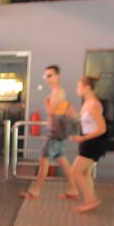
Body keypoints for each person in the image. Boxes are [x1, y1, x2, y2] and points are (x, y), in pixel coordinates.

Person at [20, 65, 79, 200]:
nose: (48, 78)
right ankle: (73, 189)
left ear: (58, 76)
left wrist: (46, 101)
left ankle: (36, 189)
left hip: (54, 132)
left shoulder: (57, 92)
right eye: (46, 76)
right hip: (57, 132)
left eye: (50, 75)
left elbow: (50, 111)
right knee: (62, 160)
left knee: (43, 159)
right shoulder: (56, 92)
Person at [69, 75, 106, 213]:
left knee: (76, 171)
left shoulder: (93, 105)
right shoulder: (87, 103)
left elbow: (101, 128)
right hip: (89, 141)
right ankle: (90, 199)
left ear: (87, 87)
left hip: (92, 142)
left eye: (79, 86)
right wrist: (74, 114)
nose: (77, 89)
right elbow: (86, 122)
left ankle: (91, 200)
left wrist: (83, 139)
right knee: (85, 173)